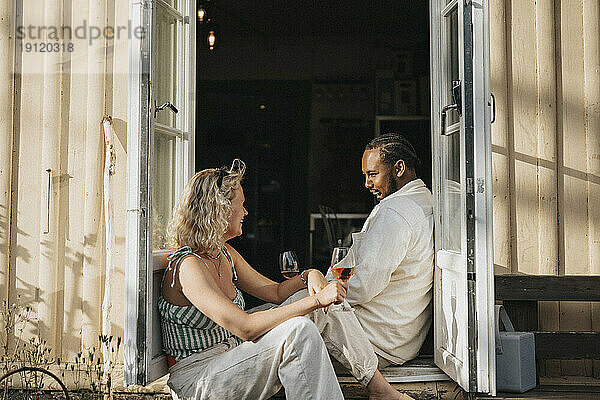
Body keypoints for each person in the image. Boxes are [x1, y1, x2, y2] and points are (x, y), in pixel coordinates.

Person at [159, 159, 413, 400]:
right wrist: (316, 301)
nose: (246, 212)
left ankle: (379, 388)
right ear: (220, 209)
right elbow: (246, 328)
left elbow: (277, 292)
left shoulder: (224, 253)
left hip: (232, 355)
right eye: (242, 204)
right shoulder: (188, 265)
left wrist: (309, 276)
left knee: (309, 300)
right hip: (200, 379)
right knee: (298, 329)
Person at [326, 133, 434, 368]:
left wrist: (320, 291)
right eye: (365, 175)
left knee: (283, 328)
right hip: (399, 339)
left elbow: (362, 285)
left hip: (372, 341)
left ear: (399, 168)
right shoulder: (427, 200)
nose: (367, 184)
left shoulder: (394, 211)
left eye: (373, 174)